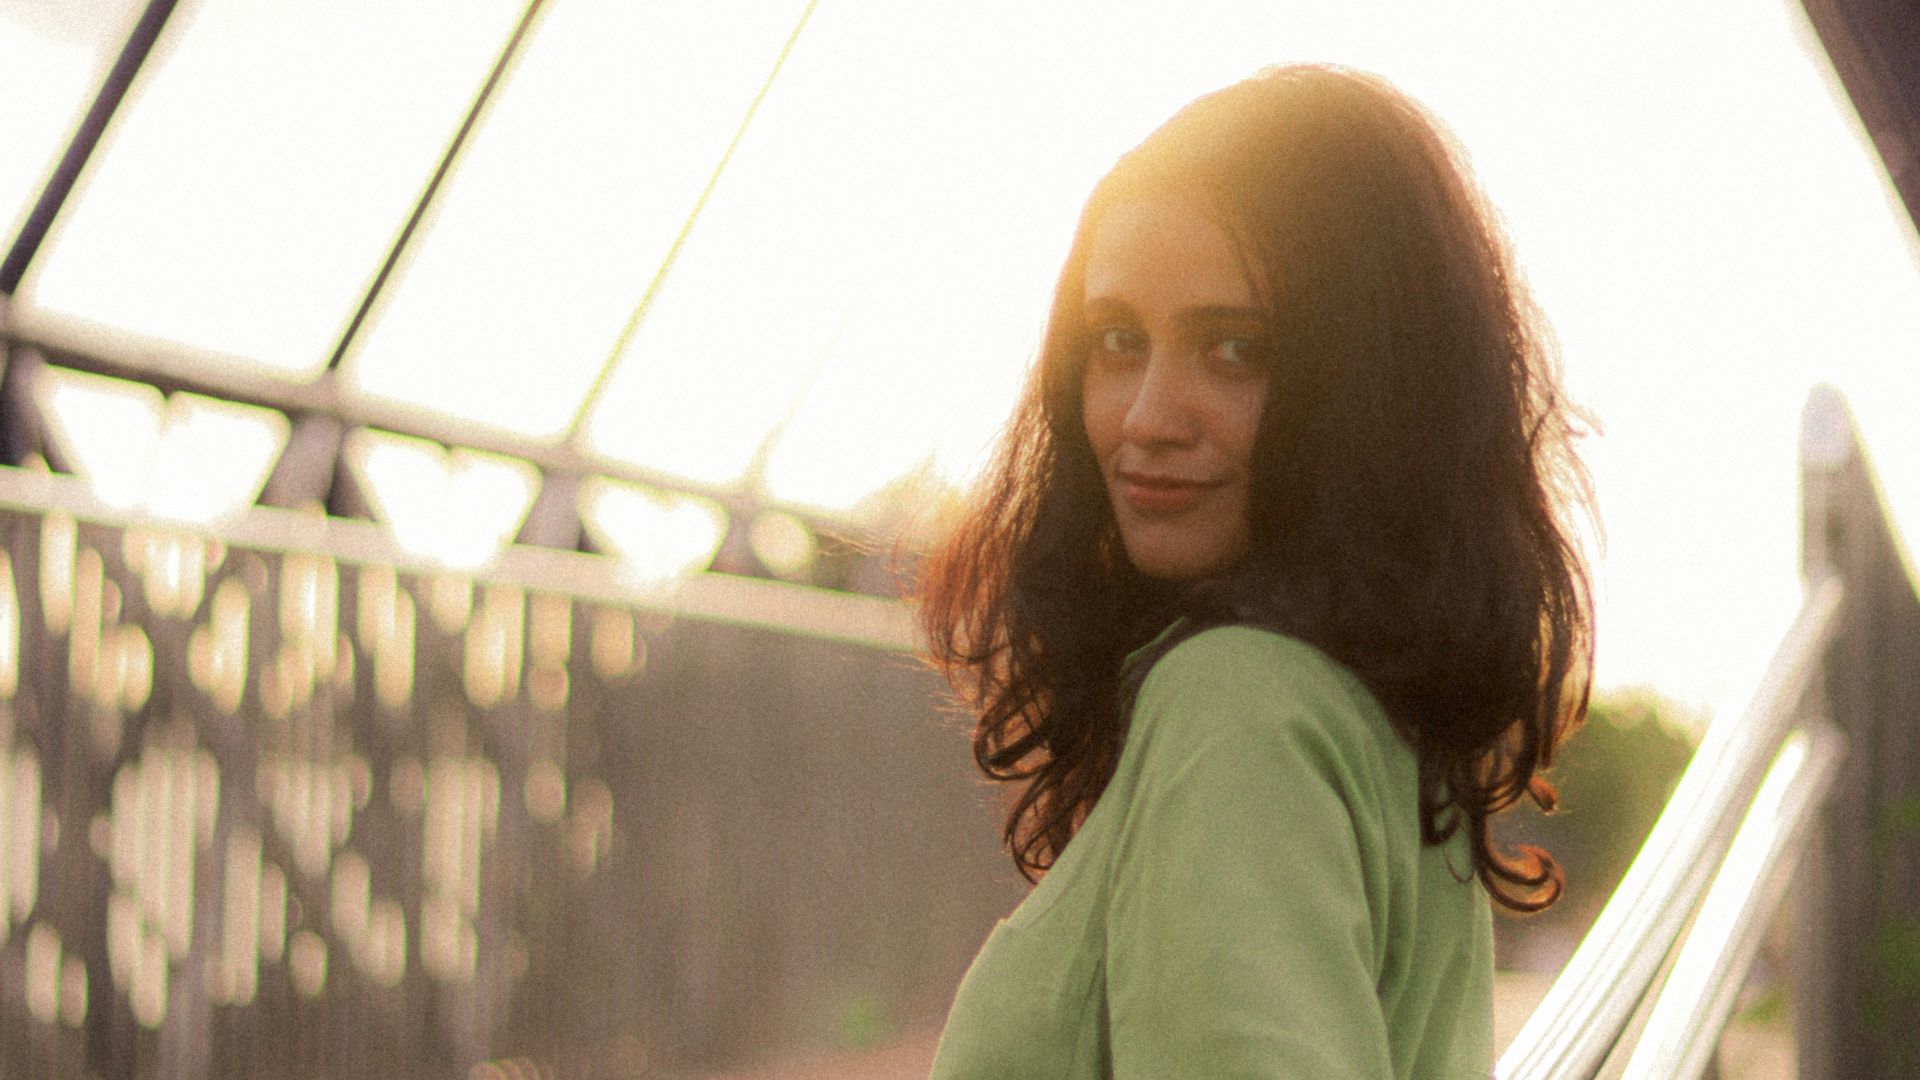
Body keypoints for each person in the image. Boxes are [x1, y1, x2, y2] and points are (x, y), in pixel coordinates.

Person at [916, 63, 1594, 1078]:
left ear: (1366, 380)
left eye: (1234, 349)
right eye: (1117, 341)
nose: (1146, 418)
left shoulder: (1237, 705)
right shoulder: (1369, 712)